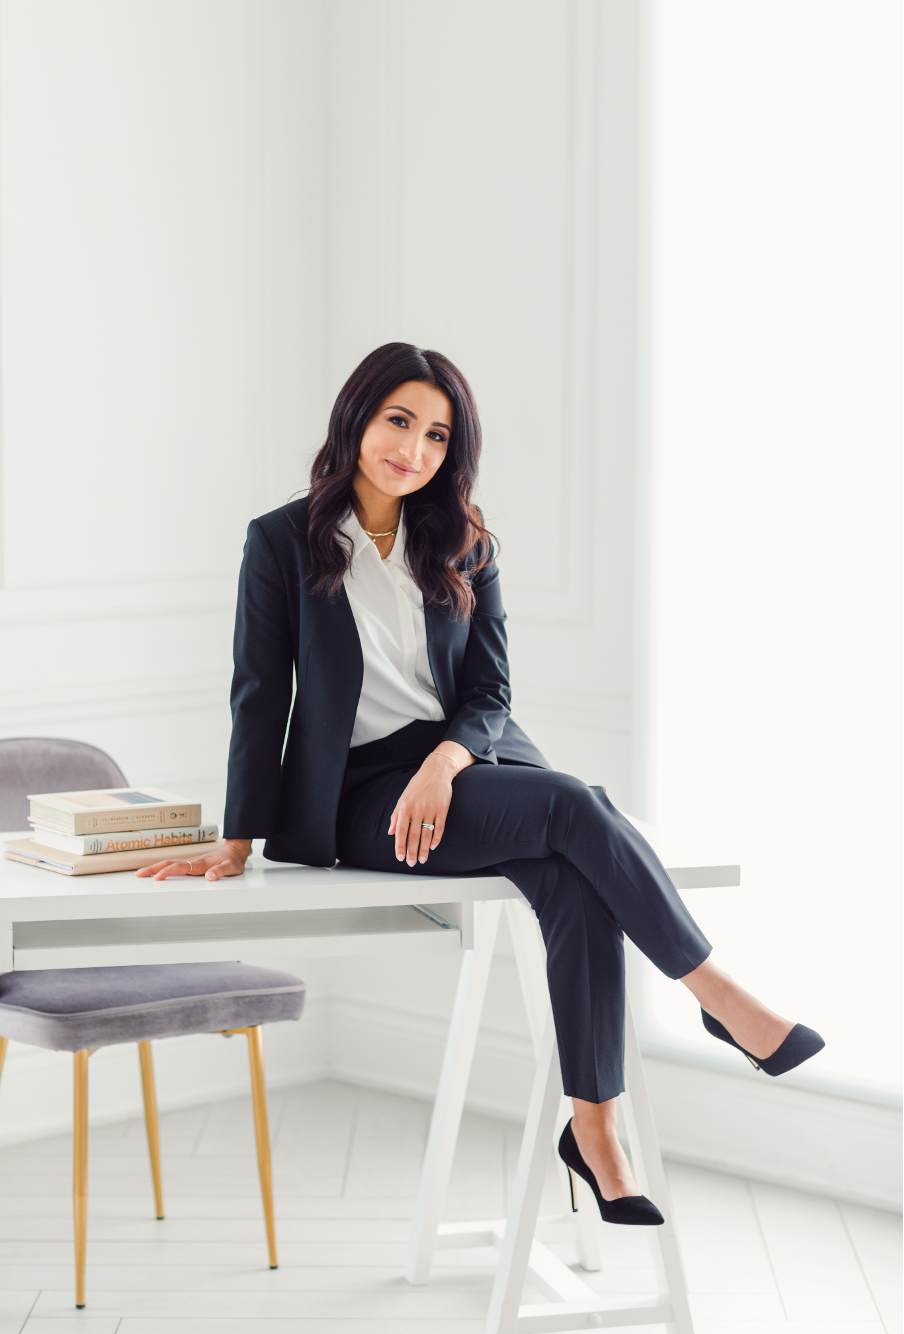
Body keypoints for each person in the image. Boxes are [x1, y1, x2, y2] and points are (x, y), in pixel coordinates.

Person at [138, 342, 824, 1225]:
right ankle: (719, 996)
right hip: (358, 797)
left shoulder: (464, 540)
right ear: (356, 416)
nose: (413, 451)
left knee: (571, 878)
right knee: (579, 805)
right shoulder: (280, 541)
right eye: (398, 422)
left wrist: (445, 761)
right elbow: (260, 690)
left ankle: (596, 1130)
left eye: (436, 435)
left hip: (463, 765)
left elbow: (491, 692)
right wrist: (237, 837)